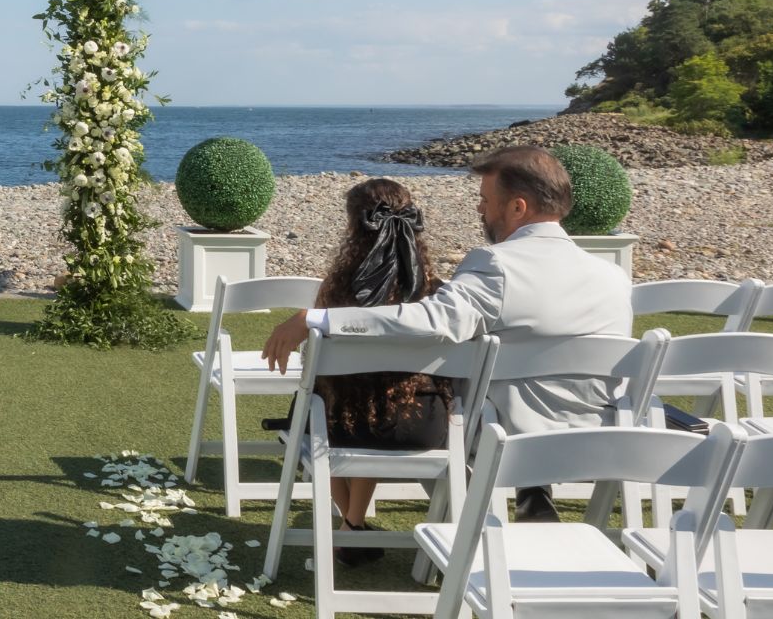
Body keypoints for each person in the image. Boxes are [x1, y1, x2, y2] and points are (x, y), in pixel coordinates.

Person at [262, 145, 633, 523]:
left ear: (517, 207)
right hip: (601, 440)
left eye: (485, 200)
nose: (480, 210)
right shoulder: (614, 278)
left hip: (504, 437)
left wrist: (320, 319)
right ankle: (533, 491)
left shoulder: (498, 265)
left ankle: (470, 520)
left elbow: (432, 320)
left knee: (439, 403)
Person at [304, 177, 455, 564]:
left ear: (354, 227)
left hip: (345, 429)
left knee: (328, 401)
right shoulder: (435, 294)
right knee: (380, 397)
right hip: (424, 426)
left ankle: (351, 523)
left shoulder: (337, 292)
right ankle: (352, 524)